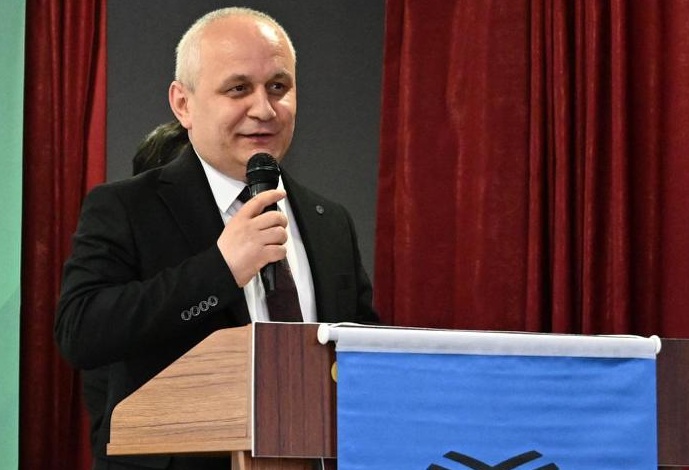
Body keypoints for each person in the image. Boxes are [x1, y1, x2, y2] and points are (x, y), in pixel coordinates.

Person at [55, 7, 378, 470]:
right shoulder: (127, 207)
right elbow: (81, 332)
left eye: (278, 87)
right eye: (238, 89)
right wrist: (220, 270)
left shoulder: (329, 221)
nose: (264, 109)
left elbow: (361, 355)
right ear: (183, 104)